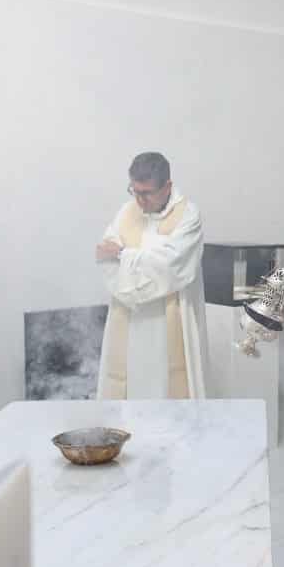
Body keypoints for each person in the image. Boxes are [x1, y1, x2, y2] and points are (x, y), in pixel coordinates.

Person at [95, 151, 208, 399]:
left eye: (146, 193)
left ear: (167, 186)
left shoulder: (188, 214)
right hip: (130, 316)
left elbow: (170, 264)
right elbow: (105, 256)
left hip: (169, 317)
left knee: (168, 384)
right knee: (129, 384)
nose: (139, 199)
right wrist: (130, 259)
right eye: (134, 191)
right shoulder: (126, 212)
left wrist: (125, 255)